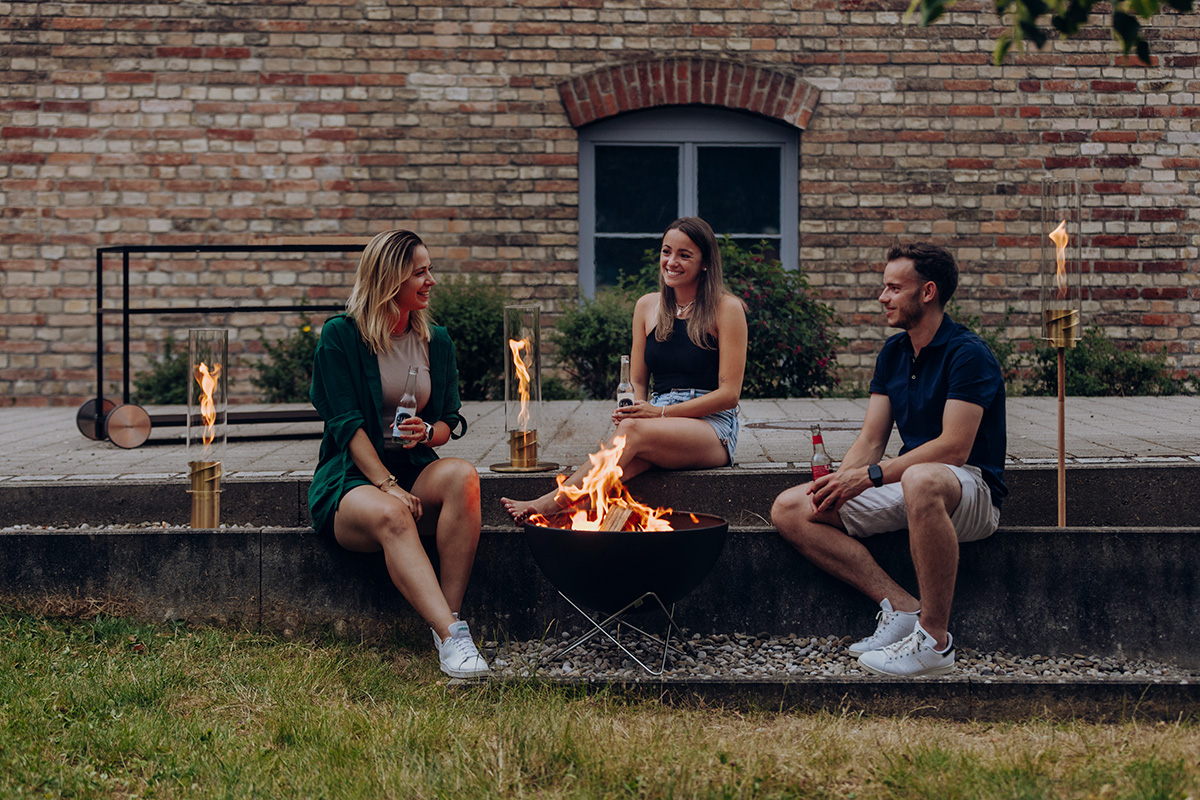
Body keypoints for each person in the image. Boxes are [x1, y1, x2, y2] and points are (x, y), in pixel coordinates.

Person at [771, 242, 1006, 677]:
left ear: (928, 292)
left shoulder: (968, 354)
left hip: (971, 490)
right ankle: (901, 609)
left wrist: (872, 476)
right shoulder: (894, 354)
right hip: (914, 482)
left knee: (920, 477)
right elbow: (871, 440)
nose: (883, 297)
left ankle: (934, 642)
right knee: (791, 507)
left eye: (894, 288)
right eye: (884, 287)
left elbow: (954, 447)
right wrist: (841, 482)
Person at [308, 229, 489, 679]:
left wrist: (427, 431)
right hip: (352, 480)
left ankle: (448, 626)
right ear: (390, 278)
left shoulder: (436, 340)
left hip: (412, 469)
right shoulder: (341, 336)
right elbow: (344, 423)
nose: (431, 281)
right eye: (420, 273)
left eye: (430, 270)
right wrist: (386, 484)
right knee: (393, 514)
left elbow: (449, 421)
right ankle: (452, 636)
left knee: (463, 476)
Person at [502, 216, 747, 523]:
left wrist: (653, 416)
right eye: (666, 251)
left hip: (711, 428)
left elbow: (729, 395)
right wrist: (631, 410)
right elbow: (638, 380)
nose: (671, 261)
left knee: (629, 437)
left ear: (705, 263)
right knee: (616, 470)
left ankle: (549, 503)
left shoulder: (727, 309)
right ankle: (573, 513)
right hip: (655, 419)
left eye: (684, 255)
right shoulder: (647, 306)